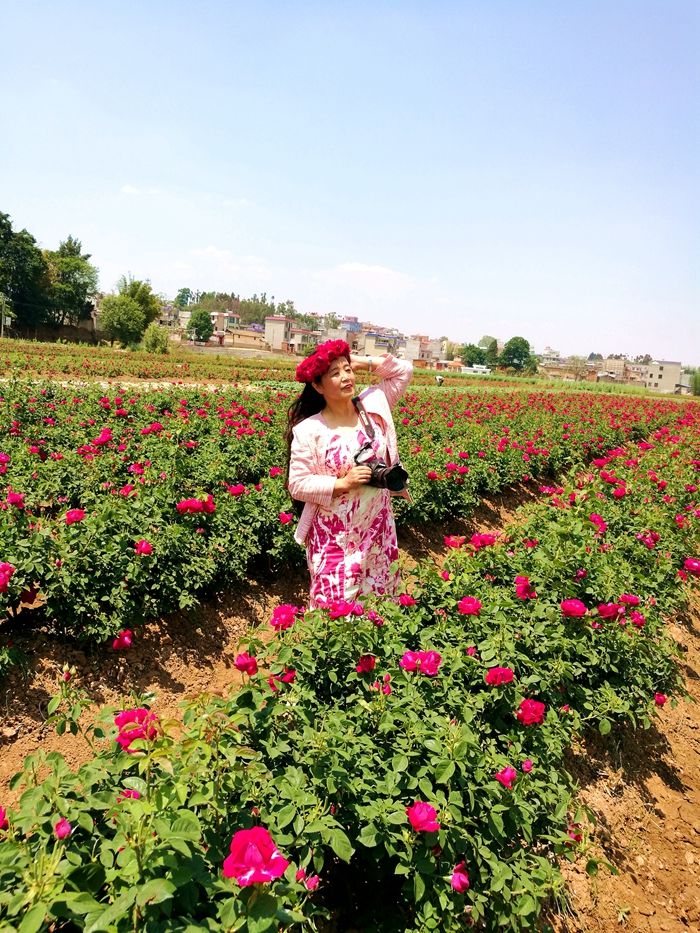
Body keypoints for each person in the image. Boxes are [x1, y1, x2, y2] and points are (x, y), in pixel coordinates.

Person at [286, 339, 413, 609]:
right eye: (335, 373)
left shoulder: (372, 406)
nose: (346, 377)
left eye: (347, 370)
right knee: (334, 609)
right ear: (318, 386)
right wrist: (342, 483)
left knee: (380, 604)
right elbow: (297, 484)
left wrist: (357, 361)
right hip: (335, 538)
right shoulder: (310, 431)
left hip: (377, 530)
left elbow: (404, 370)